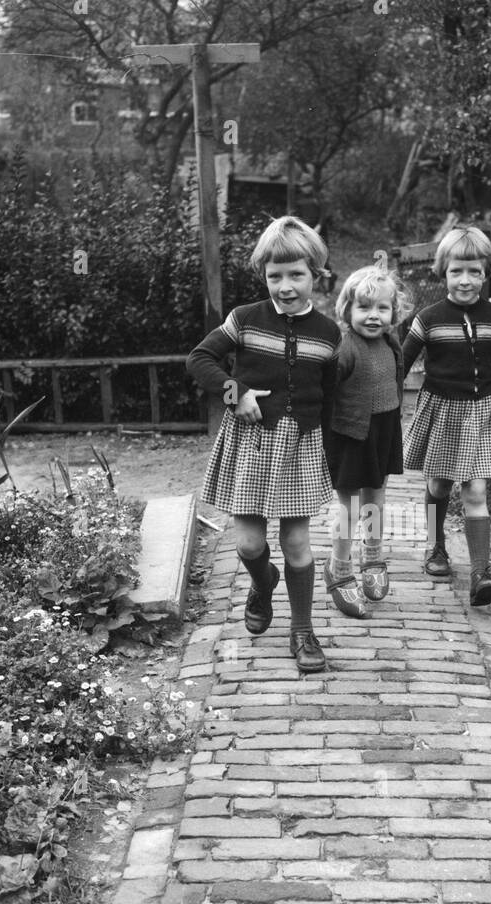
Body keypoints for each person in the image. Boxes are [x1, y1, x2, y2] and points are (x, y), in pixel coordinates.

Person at [186, 216, 340, 673]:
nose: (286, 286)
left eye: (296, 275)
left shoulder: (330, 335)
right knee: (252, 545)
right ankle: (262, 581)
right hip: (251, 445)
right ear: (263, 276)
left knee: (297, 542)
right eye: (275, 276)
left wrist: (330, 457)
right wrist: (237, 394)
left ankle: (302, 631)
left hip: (300, 450)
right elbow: (200, 359)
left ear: (316, 274)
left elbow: (328, 399)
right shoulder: (245, 320)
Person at [401, 225, 491, 606]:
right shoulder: (429, 318)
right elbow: (401, 363)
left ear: (486, 273)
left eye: (474, 271)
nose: (465, 280)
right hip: (441, 411)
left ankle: (481, 573)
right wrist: (384, 405)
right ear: (443, 272)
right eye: (457, 271)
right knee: (438, 486)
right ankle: (436, 547)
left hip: (483, 412)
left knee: (476, 489)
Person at [321, 266, 413, 617]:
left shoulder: (391, 342)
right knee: (351, 508)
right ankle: (339, 568)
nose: (373, 316)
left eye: (382, 309)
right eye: (364, 308)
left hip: (384, 430)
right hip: (352, 435)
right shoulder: (346, 348)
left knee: (376, 499)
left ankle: (372, 557)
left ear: (394, 312)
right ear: (347, 310)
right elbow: (326, 392)